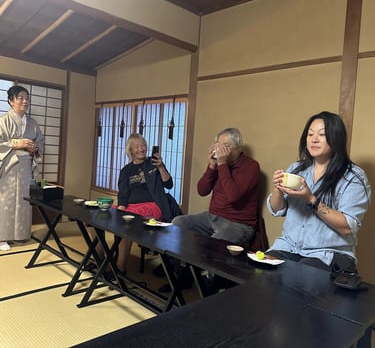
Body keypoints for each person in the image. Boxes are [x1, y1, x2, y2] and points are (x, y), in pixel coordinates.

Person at [267, 111, 371, 274]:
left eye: (322, 135)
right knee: (261, 273)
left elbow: (347, 227)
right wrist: (278, 188)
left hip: (328, 253)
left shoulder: (353, 177)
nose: (314, 139)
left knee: (298, 279)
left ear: (336, 138)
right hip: (288, 246)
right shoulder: (297, 169)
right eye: (310, 134)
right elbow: (277, 210)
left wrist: (310, 199)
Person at [161, 127, 260, 293]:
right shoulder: (220, 166)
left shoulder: (251, 167)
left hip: (238, 224)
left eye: (225, 145)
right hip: (211, 217)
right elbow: (202, 190)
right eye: (218, 145)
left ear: (238, 148)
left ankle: (210, 284)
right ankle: (182, 275)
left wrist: (222, 165)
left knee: (216, 240)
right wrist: (212, 166)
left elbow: (233, 196)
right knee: (178, 223)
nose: (220, 149)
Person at [87, 133, 175, 275]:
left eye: (143, 145)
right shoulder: (126, 170)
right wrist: (120, 210)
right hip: (129, 206)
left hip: (152, 206)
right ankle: (99, 257)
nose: (141, 149)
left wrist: (160, 167)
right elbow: (123, 194)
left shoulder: (153, 164)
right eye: (136, 146)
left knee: (124, 225)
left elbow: (169, 184)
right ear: (130, 151)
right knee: (96, 216)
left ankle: (120, 268)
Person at [0, 85, 44, 251]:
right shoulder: (3, 121)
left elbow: (40, 142)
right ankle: (2, 237)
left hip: (26, 167)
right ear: (11, 101)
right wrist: (15, 143)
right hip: (9, 166)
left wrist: (35, 148)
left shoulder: (32, 123)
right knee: (6, 201)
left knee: (24, 201)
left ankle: (20, 235)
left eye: (27, 98)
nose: (25, 101)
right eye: (20, 98)